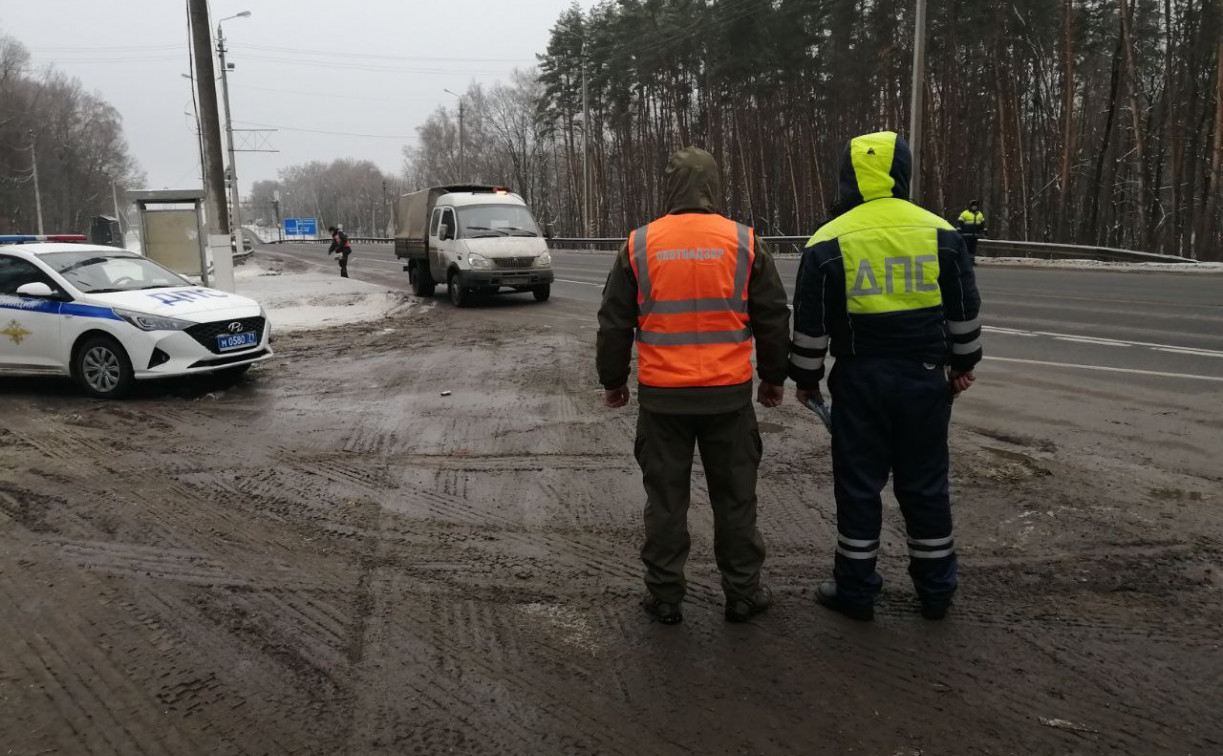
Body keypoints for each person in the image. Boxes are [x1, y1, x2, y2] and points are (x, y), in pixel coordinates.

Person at [789, 131, 983, 622]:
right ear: (903, 172)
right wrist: (962, 365)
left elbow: (810, 328)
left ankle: (855, 592)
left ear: (848, 177)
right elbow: (964, 311)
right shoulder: (941, 232)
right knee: (925, 485)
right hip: (924, 379)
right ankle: (936, 591)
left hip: (859, 381)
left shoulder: (827, 241)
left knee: (858, 487)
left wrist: (807, 380)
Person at [597, 146, 791, 625]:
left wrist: (613, 381)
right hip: (728, 398)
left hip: (664, 403)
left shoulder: (640, 244)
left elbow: (614, 322)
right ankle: (743, 593)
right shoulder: (744, 242)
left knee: (665, 502)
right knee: (736, 498)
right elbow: (772, 317)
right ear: (714, 185)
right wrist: (772, 378)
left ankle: (665, 597)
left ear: (670, 187)